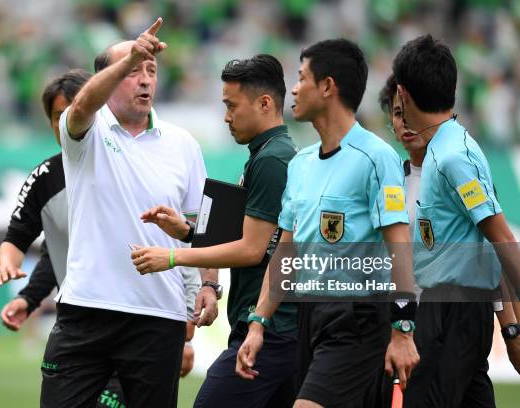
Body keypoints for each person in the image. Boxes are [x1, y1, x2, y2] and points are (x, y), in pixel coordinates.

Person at [0, 68, 199, 408]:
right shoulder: (46, 177)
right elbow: (50, 248)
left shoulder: (142, 161)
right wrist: (26, 295)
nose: (71, 119)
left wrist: (190, 313)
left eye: (78, 108)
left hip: (148, 320)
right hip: (86, 316)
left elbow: (185, 240)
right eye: (60, 115)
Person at [235, 39, 420, 408]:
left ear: (327, 87)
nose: (294, 88)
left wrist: (403, 329)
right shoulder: (300, 164)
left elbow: (399, 250)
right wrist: (258, 323)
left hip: (359, 318)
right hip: (310, 316)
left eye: (301, 77)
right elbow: (287, 250)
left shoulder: (376, 158)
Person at [41, 18, 209, 408]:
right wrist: (130, 55)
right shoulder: (84, 132)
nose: (146, 79)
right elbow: (82, 104)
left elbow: (203, 227)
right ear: (108, 78)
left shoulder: (183, 145)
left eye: (151, 70)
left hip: (159, 316)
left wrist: (207, 286)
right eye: (133, 71)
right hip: (87, 307)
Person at [131, 54, 299, 407]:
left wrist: (174, 257)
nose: (226, 116)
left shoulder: (272, 160)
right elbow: (255, 237)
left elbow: (252, 250)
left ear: (265, 103)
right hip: (271, 328)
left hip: (269, 329)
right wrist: (188, 232)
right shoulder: (267, 154)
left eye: (231, 105)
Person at [389, 35, 520, 407]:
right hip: (454, 309)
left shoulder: (452, 158)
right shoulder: (445, 148)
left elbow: (500, 237)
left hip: (451, 310)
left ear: (403, 94)